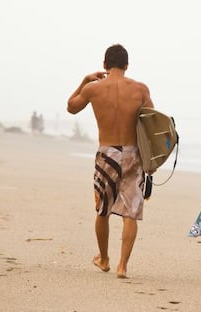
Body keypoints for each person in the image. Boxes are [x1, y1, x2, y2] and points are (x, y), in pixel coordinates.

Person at [67, 44, 154, 278]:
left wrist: (85, 81)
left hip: (107, 154)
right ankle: (123, 266)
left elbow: (71, 107)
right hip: (133, 154)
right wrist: (152, 161)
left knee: (103, 209)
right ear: (127, 65)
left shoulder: (93, 89)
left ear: (105, 65)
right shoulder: (140, 90)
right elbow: (153, 126)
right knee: (130, 212)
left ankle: (104, 259)